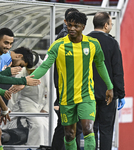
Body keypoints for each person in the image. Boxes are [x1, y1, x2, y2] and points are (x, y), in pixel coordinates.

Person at [21, 11, 114, 150]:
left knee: (88, 130)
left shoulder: (93, 44)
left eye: (76, 26)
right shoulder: (58, 45)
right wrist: (26, 80)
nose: (71, 28)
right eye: (69, 25)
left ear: (83, 27)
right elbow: (45, 65)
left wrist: (110, 86)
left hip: (86, 96)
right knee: (69, 134)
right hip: (66, 98)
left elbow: (100, 65)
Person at [87, 12, 125, 150]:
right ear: (105, 25)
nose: (111, 26)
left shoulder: (84, 41)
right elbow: (117, 70)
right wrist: (120, 93)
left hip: (87, 93)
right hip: (108, 94)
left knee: (90, 130)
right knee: (106, 130)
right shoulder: (112, 43)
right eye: (111, 24)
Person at [51, 8, 82, 150]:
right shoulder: (66, 38)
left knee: (66, 125)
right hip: (68, 88)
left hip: (66, 87)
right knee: (70, 126)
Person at [6, 51, 49, 145]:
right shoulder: (21, 73)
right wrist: (9, 111)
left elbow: (51, 92)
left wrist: (46, 109)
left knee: (53, 124)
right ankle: (32, 147)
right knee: (38, 125)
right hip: (26, 101)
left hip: (42, 103)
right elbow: (14, 95)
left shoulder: (45, 69)